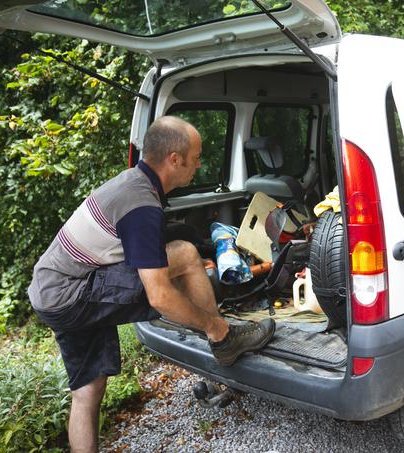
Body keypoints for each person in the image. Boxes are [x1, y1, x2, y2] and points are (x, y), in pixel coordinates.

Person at [27, 116, 275, 452]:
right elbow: (158, 296)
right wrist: (207, 316)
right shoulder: (141, 204)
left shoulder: (132, 182)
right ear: (174, 159)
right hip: (73, 292)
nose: (199, 165)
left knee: (88, 389)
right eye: (197, 157)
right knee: (185, 255)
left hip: (52, 291)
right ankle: (223, 337)